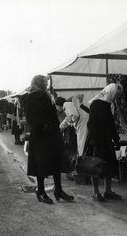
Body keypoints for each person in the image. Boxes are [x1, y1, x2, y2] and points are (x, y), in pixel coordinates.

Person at [26, 75, 74, 204]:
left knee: (56, 162)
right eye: (45, 82)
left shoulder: (45, 95)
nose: (47, 84)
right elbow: (31, 117)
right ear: (39, 83)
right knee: (41, 164)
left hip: (51, 135)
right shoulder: (34, 95)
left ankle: (58, 190)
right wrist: (44, 126)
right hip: (42, 136)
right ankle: (40, 192)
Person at [87, 83, 123, 202]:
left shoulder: (109, 105)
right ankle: (96, 192)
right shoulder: (96, 104)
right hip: (98, 142)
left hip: (107, 141)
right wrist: (96, 142)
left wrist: (116, 140)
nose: (117, 97)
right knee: (96, 167)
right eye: (117, 95)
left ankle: (108, 191)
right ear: (111, 92)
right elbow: (91, 125)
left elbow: (111, 125)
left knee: (109, 166)